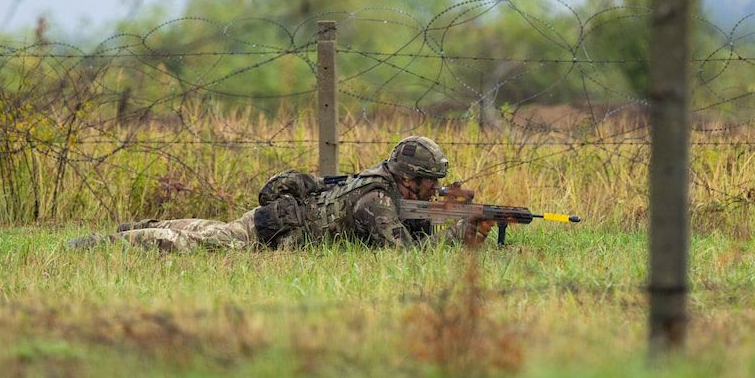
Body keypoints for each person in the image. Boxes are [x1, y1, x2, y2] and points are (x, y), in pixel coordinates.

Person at [67, 136, 487, 252]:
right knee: (191, 243)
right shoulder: (375, 201)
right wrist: (458, 230)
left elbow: (411, 230)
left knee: (210, 228)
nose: (436, 187)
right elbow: (402, 254)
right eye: (431, 181)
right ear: (410, 177)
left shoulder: (389, 190)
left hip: (275, 220)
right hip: (271, 233)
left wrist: (457, 223)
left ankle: (139, 227)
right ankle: (106, 243)